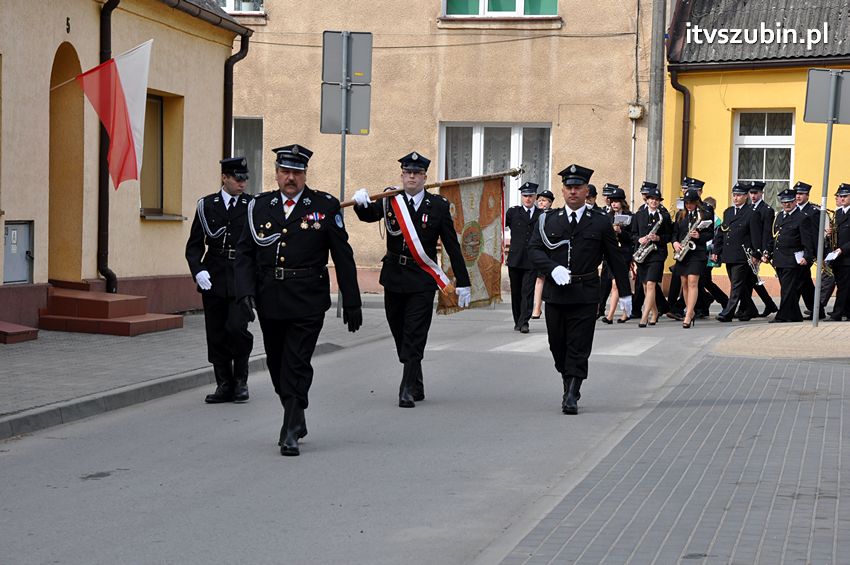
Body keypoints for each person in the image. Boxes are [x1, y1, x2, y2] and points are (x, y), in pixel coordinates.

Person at [234, 144, 363, 456]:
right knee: (277, 364)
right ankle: (296, 411)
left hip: (308, 297)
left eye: (296, 172)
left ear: (305, 174)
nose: (290, 178)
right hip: (270, 297)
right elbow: (244, 254)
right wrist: (243, 294)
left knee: (297, 362)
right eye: (285, 171)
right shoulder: (259, 207)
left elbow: (343, 256)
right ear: (276, 173)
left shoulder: (324, 206)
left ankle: (290, 427)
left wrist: (353, 300)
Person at [352, 152, 471, 408]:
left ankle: (406, 388)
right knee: (398, 331)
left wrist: (463, 280)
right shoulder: (389, 200)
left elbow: (452, 245)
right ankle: (415, 379)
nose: (412, 177)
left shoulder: (437, 206)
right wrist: (360, 203)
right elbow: (368, 215)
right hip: (394, 276)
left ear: (424, 177)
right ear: (402, 175)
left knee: (415, 333)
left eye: (417, 173)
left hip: (422, 280)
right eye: (408, 172)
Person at [529, 164, 632, 415]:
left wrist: (626, 292)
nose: (573, 191)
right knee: (558, 345)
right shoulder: (548, 219)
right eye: (569, 187)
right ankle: (568, 379)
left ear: (587, 190)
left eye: (578, 187)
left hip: (586, 292)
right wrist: (552, 268)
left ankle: (571, 392)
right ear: (562, 191)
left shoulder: (599, 222)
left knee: (579, 344)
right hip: (557, 293)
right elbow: (533, 249)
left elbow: (614, 257)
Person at [185, 157, 254, 404]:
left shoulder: (251, 206)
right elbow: (193, 246)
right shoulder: (206, 205)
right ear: (224, 178)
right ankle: (224, 383)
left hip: (241, 277)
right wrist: (198, 270)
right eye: (238, 178)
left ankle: (241, 381)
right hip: (213, 275)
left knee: (237, 328)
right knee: (216, 332)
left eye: (245, 178)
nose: (243, 183)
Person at [766, 187, 816, 323]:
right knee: (788, 289)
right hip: (779, 258)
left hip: (792, 259)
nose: (786, 205)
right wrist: (768, 253)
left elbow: (807, 240)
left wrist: (807, 256)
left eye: (789, 202)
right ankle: (795, 315)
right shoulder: (779, 216)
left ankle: (782, 316)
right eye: (784, 202)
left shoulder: (801, 218)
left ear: (795, 202)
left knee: (787, 290)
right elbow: (775, 237)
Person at [712, 182, 760, 322]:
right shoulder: (728, 212)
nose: (736, 198)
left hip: (742, 255)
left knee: (736, 285)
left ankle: (728, 312)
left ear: (746, 196)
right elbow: (722, 232)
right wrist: (716, 249)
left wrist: (756, 254)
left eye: (739, 195)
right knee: (741, 285)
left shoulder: (751, 213)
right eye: (734, 195)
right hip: (728, 253)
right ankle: (750, 309)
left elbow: (755, 235)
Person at [672, 188, 714, 328]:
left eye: (691, 202)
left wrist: (699, 236)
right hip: (683, 253)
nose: (688, 205)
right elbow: (674, 233)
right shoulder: (680, 215)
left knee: (692, 282)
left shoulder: (705, 214)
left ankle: (689, 313)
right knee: (684, 282)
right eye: (686, 202)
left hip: (697, 252)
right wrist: (675, 243)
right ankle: (690, 310)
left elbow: (710, 234)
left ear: (697, 202)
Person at [504, 182, 543, 333]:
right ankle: (517, 320)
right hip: (515, 258)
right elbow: (499, 224)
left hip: (532, 259)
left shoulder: (541, 215)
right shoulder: (513, 212)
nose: (528, 199)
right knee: (516, 292)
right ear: (521, 197)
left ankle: (524, 322)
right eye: (525, 196)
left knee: (527, 291)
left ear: (535, 197)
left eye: (530, 196)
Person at [631, 187, 671, 327]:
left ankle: (644, 316)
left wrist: (658, 237)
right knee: (645, 286)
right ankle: (654, 312)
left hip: (657, 253)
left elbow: (669, 236)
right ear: (647, 200)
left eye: (657, 200)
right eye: (652, 199)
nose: (654, 201)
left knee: (651, 284)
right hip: (643, 254)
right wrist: (639, 240)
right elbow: (632, 234)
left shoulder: (664, 216)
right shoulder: (638, 215)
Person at [600, 186, 633, 324]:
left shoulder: (630, 217)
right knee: (617, 284)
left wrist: (621, 232)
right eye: (612, 201)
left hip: (624, 254)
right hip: (611, 254)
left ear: (622, 202)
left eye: (616, 201)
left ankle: (610, 315)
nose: (614, 204)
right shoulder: (608, 217)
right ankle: (624, 313)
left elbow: (632, 237)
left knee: (616, 284)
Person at [747, 182, 779, 317]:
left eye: (756, 193)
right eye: (751, 193)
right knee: (750, 279)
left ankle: (747, 309)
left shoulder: (767, 210)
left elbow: (766, 233)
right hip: (746, 248)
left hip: (757, 249)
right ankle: (769, 305)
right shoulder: (748, 208)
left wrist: (761, 252)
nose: (753, 196)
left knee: (749, 279)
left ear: (761, 193)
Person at [794, 181, 825, 319]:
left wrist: (813, 255)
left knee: (797, 283)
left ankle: (789, 310)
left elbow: (816, 235)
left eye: (801, 194)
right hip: (794, 253)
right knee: (805, 284)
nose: (798, 196)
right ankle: (818, 311)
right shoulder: (793, 211)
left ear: (807, 195)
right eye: (796, 194)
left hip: (806, 253)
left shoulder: (813, 212)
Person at [826, 183, 850, 320]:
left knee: (843, 287)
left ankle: (837, 313)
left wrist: (843, 249)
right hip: (838, 257)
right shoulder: (839, 212)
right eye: (840, 196)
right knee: (844, 286)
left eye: (845, 196)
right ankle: (847, 311)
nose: (841, 199)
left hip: (847, 256)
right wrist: (830, 233)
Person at [532, 190, 555, 319]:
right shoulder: (534, 214)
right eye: (539, 200)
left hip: (550, 251)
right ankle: (537, 308)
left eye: (544, 200)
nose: (541, 202)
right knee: (539, 279)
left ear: (550, 203)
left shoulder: (553, 215)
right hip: (538, 250)